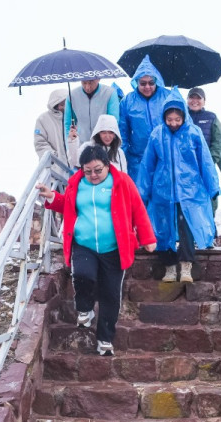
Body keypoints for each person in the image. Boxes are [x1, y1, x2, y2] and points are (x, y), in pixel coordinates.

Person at [37, 146, 156, 356]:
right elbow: (67, 205)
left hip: (114, 248)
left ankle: (105, 339)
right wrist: (51, 197)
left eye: (98, 170)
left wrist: (147, 238)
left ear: (108, 166)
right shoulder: (76, 183)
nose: (93, 175)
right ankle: (85, 309)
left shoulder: (122, 182)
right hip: (84, 243)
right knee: (82, 274)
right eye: (88, 171)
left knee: (110, 295)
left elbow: (137, 208)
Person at [139, 100, 220, 283]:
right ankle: (168, 267)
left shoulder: (193, 133)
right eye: (169, 119)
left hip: (189, 190)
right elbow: (147, 165)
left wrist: (212, 186)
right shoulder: (157, 135)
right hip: (163, 190)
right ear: (164, 118)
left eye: (177, 119)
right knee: (163, 228)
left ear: (184, 117)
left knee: (187, 228)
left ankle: (185, 266)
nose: (173, 123)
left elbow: (205, 161)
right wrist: (142, 192)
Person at [119, 56, 178, 179]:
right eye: (143, 83)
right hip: (137, 159)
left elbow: (182, 125)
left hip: (165, 156)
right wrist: (122, 157)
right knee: (140, 195)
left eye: (151, 83)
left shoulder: (168, 97)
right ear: (136, 82)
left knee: (162, 195)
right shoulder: (127, 101)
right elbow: (122, 132)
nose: (147, 87)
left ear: (156, 81)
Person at [186, 87, 221, 215]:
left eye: (198, 98)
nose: (195, 101)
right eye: (192, 98)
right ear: (187, 100)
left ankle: (210, 226)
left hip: (206, 165)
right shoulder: (181, 116)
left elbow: (218, 143)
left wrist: (210, 161)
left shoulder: (211, 117)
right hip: (186, 167)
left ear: (204, 101)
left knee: (210, 196)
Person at [64, 78, 120, 155]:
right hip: (81, 147)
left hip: (103, 147)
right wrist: (69, 147)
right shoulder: (72, 96)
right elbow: (68, 124)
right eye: (84, 82)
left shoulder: (109, 93)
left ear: (98, 79)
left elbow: (113, 122)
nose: (87, 87)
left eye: (91, 82)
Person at [33, 89, 68, 161]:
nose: (64, 107)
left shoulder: (76, 116)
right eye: (61, 104)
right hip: (56, 167)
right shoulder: (42, 119)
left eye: (67, 103)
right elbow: (40, 143)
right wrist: (54, 156)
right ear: (55, 104)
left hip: (78, 166)